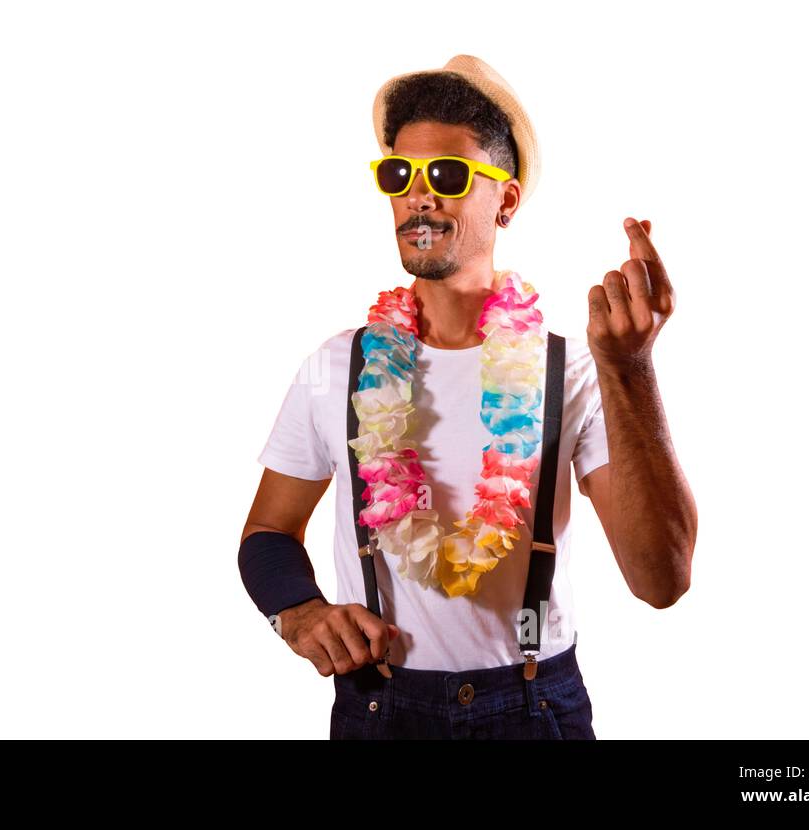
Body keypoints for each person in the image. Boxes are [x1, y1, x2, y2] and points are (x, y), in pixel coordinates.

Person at [238, 55, 697, 740]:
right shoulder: (338, 365)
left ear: (505, 200)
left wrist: (628, 371)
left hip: (535, 706)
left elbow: (661, 580)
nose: (419, 196)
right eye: (400, 175)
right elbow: (268, 532)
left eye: (448, 176)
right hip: (378, 709)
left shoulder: (571, 372)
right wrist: (298, 611)